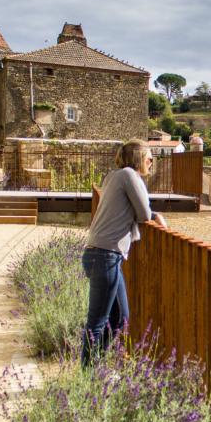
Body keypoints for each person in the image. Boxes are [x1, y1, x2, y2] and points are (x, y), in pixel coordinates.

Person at [81, 139, 167, 366]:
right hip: (105, 256)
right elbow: (143, 214)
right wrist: (155, 215)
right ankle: (87, 377)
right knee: (97, 322)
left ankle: (97, 367)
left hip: (100, 254)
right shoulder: (129, 176)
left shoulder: (113, 176)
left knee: (119, 318)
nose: (151, 161)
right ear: (138, 158)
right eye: (149, 157)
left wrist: (151, 212)